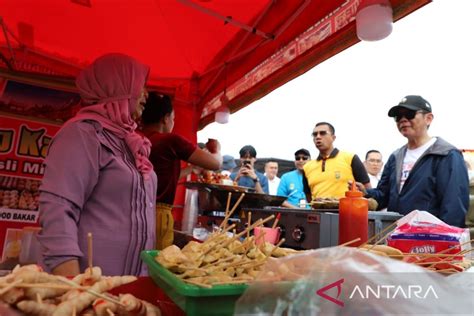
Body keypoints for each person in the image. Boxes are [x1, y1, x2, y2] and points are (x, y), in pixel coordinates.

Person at [38, 53, 156, 276]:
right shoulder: (82, 133)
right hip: (90, 290)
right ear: (117, 85)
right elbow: (57, 209)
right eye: (140, 86)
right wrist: (74, 286)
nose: (146, 94)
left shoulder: (129, 141)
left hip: (129, 290)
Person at [361, 95, 469, 227]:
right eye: (398, 117)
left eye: (409, 114)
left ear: (428, 118)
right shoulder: (395, 157)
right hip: (397, 236)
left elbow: (454, 206)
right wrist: (365, 193)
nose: (403, 120)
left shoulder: (446, 155)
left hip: (429, 239)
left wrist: (444, 240)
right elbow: (384, 195)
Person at [141, 91, 222, 249]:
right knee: (155, 262)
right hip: (158, 214)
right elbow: (215, 164)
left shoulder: (139, 139)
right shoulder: (170, 140)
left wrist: (191, 169)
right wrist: (216, 148)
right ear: (165, 118)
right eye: (173, 118)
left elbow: (158, 177)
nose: (173, 122)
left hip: (137, 212)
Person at [303, 122, 370, 201]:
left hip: (347, 212)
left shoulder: (350, 158)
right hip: (318, 212)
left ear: (333, 137)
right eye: (314, 134)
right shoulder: (307, 167)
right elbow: (308, 196)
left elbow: (367, 189)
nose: (318, 137)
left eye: (322, 133)